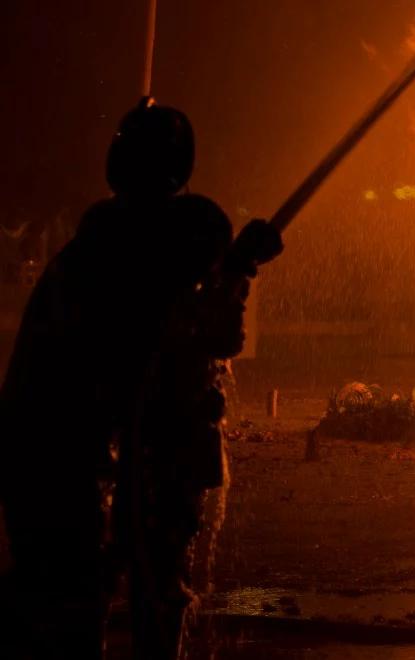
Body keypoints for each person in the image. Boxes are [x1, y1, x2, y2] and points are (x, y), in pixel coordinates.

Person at [0, 97, 281, 659]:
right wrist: (236, 272)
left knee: (78, 594)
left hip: (58, 455)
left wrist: (232, 269)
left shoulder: (91, 249)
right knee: (137, 590)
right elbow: (212, 336)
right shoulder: (183, 236)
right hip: (90, 451)